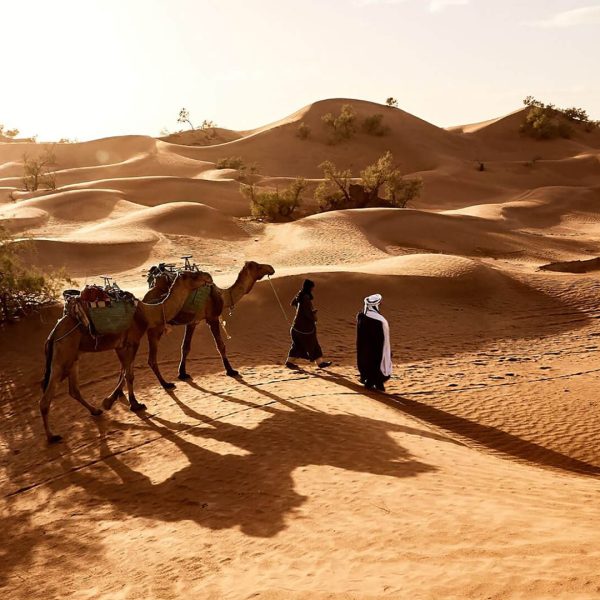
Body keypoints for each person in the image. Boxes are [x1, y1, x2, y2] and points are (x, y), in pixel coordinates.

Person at [285, 279, 332, 369]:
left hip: (296, 327)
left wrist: (299, 310)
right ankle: (320, 363)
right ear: (309, 287)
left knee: (296, 345)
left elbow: (293, 303)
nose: (313, 289)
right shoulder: (305, 297)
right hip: (304, 329)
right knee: (313, 344)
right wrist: (313, 315)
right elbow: (307, 313)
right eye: (312, 287)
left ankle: (289, 362)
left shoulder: (300, 294)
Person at [356, 293, 392, 391]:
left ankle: (373, 382)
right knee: (377, 363)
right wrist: (385, 348)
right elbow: (380, 337)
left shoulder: (361, 315)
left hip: (364, 347)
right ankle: (374, 382)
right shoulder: (378, 320)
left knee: (367, 362)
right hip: (375, 348)